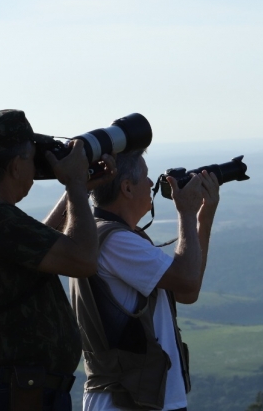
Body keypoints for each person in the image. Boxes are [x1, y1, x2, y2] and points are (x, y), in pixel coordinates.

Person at [0, 109, 115, 411]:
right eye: (32, 159)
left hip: (12, 391)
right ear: (16, 166)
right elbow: (83, 260)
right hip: (14, 395)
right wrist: (75, 187)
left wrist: (79, 190)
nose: (36, 168)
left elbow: (38, 245)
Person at [70, 149, 220, 411]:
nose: (153, 185)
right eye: (147, 177)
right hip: (126, 399)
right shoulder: (116, 241)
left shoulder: (116, 235)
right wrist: (185, 213)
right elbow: (186, 279)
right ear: (127, 188)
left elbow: (187, 291)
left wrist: (203, 218)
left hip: (145, 395)